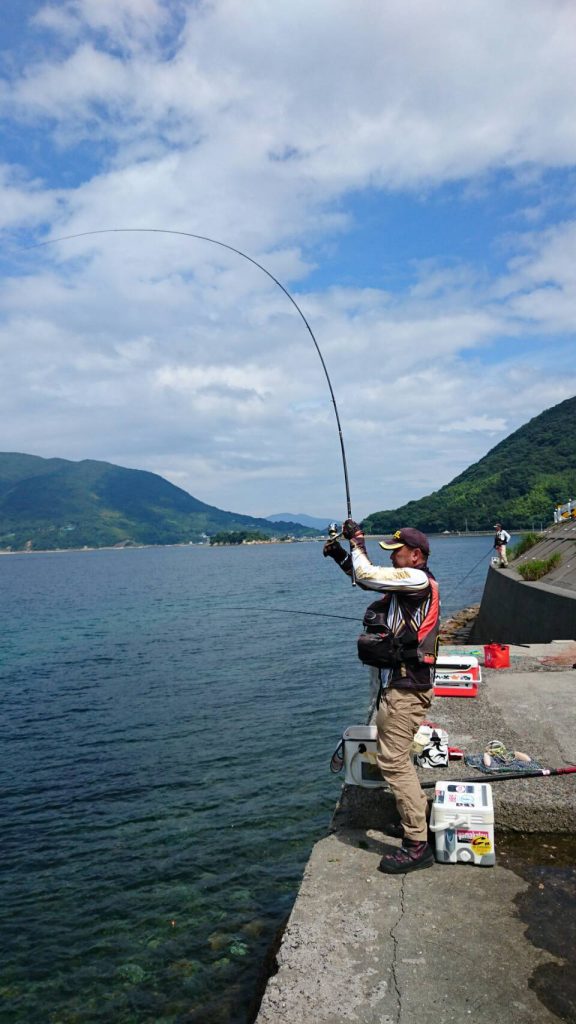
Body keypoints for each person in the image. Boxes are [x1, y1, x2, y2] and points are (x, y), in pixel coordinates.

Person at [324, 521, 440, 874]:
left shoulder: (418, 581)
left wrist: (357, 543)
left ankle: (417, 844)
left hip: (408, 689)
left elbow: (370, 574)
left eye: (397, 552)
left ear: (416, 555)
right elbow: (365, 579)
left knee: (393, 762)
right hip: (400, 686)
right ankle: (420, 822)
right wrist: (342, 555)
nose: (393, 558)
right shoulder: (405, 587)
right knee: (396, 758)